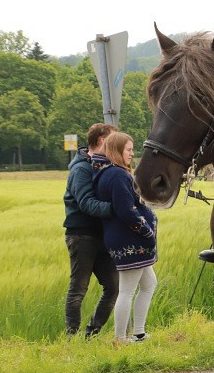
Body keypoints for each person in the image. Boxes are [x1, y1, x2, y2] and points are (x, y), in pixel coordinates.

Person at [93, 132, 158, 344]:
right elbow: (125, 210)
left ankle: (138, 332)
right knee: (127, 290)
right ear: (117, 150)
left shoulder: (109, 173)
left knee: (149, 283)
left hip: (129, 239)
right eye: (128, 149)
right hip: (130, 240)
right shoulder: (118, 175)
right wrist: (146, 230)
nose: (132, 153)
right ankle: (120, 339)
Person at [62, 122, 119, 337]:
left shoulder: (105, 166)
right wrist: (118, 209)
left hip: (102, 236)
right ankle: (71, 337)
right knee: (79, 289)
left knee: (114, 287)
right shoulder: (82, 169)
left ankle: (91, 334)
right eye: (115, 139)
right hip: (82, 235)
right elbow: (86, 203)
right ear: (103, 141)